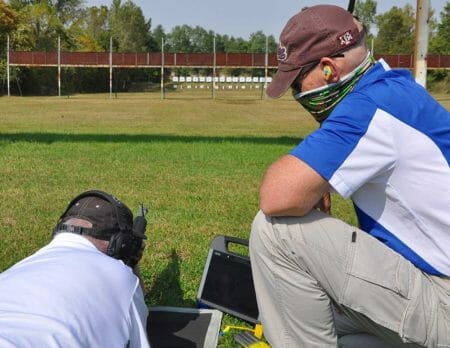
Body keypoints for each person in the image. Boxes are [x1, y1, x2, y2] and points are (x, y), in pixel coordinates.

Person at [249, 4, 450, 348]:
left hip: (442, 299)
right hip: (436, 287)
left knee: (275, 231)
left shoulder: (370, 106)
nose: (299, 94)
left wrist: (311, 178)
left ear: (328, 70)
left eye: (298, 81)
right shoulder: (394, 90)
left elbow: (277, 195)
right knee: (317, 313)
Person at [0, 190, 151, 348]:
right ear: (120, 244)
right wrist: (132, 263)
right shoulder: (122, 278)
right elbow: (138, 340)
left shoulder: (18, 269)